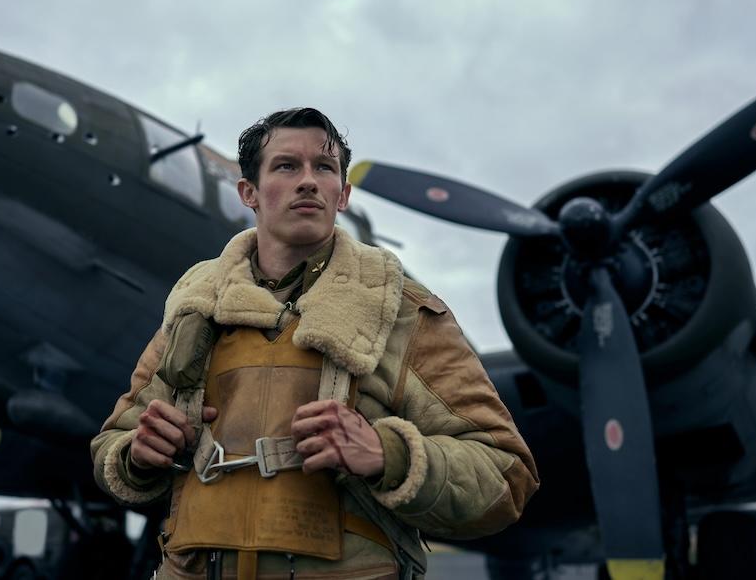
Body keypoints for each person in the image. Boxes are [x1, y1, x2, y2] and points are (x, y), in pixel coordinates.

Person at [91, 108, 538, 579]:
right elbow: (111, 446)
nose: (308, 181)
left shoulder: (404, 311)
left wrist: (389, 455)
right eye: (286, 166)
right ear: (249, 193)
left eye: (323, 168)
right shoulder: (193, 308)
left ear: (341, 195)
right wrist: (137, 455)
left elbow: (505, 475)